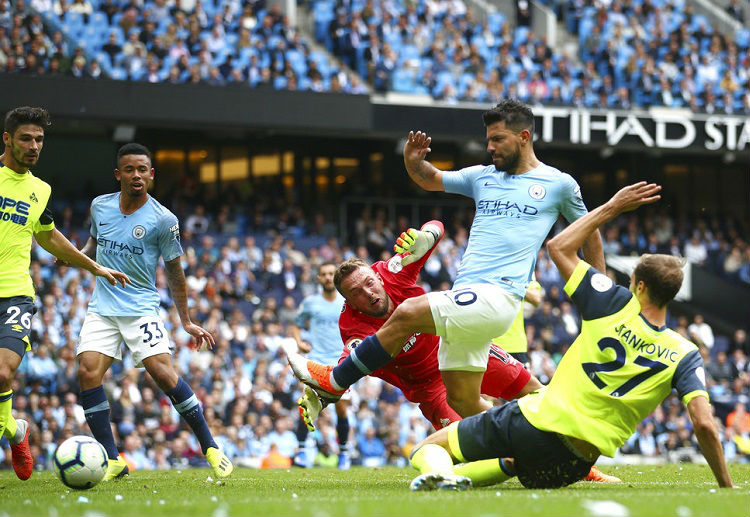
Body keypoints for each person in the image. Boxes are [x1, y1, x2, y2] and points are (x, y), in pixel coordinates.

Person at [287, 99, 604, 419]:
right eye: (488, 140)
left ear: (523, 137)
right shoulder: (483, 177)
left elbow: (590, 233)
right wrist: (412, 161)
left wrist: (599, 296)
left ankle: (335, 381)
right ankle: (570, 457)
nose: (490, 147)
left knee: (408, 311)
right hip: (465, 300)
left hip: (499, 295)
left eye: (498, 139)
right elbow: (430, 178)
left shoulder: (558, 184)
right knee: (466, 403)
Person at [408, 182, 735, 490]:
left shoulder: (613, 304)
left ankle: (441, 473)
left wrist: (612, 206)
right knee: (514, 460)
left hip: (537, 422)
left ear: (640, 286)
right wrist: (726, 485)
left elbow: (559, 247)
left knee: (429, 448)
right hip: (573, 463)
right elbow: (705, 423)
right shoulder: (685, 352)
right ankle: (478, 473)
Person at [297, 221, 614, 483]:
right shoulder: (352, 325)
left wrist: (426, 234)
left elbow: (436, 227)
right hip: (430, 389)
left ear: (376, 275)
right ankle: (516, 464)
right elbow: (352, 358)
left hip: (461, 345)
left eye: (369, 282)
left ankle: (584, 467)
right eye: (357, 293)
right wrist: (327, 391)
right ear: (349, 302)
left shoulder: (393, 270)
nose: (369, 292)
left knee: (538, 395)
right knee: (485, 437)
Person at [74, 143, 232, 480]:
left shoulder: (163, 220)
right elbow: (93, 245)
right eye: (129, 169)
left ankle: (210, 446)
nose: (136, 175)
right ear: (119, 174)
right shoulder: (100, 206)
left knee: (163, 375)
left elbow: (175, 272)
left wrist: (186, 320)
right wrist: (76, 256)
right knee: (88, 371)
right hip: (102, 306)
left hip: (141, 308)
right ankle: (113, 459)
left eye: (143, 170)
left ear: (151, 175)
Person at [0, 106, 129, 481]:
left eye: (39, 139)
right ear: (7, 139)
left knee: (3, 371)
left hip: (15, 295)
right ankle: (15, 430)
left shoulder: (39, 190)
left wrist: (94, 266)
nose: (34, 145)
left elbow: (48, 236)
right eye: (26, 138)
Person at [290, 262, 352, 469]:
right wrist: (299, 342)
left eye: (330, 274)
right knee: (306, 404)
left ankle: (343, 453)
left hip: (340, 361)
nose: (327, 277)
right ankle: (302, 452)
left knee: (342, 408)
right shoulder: (310, 303)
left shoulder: (347, 300)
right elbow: (296, 324)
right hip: (315, 359)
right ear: (318, 278)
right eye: (323, 274)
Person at [492, 277, 543, 369]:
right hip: (489, 347)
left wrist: (510, 284)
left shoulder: (521, 273)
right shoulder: (484, 269)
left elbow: (536, 298)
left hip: (515, 346)